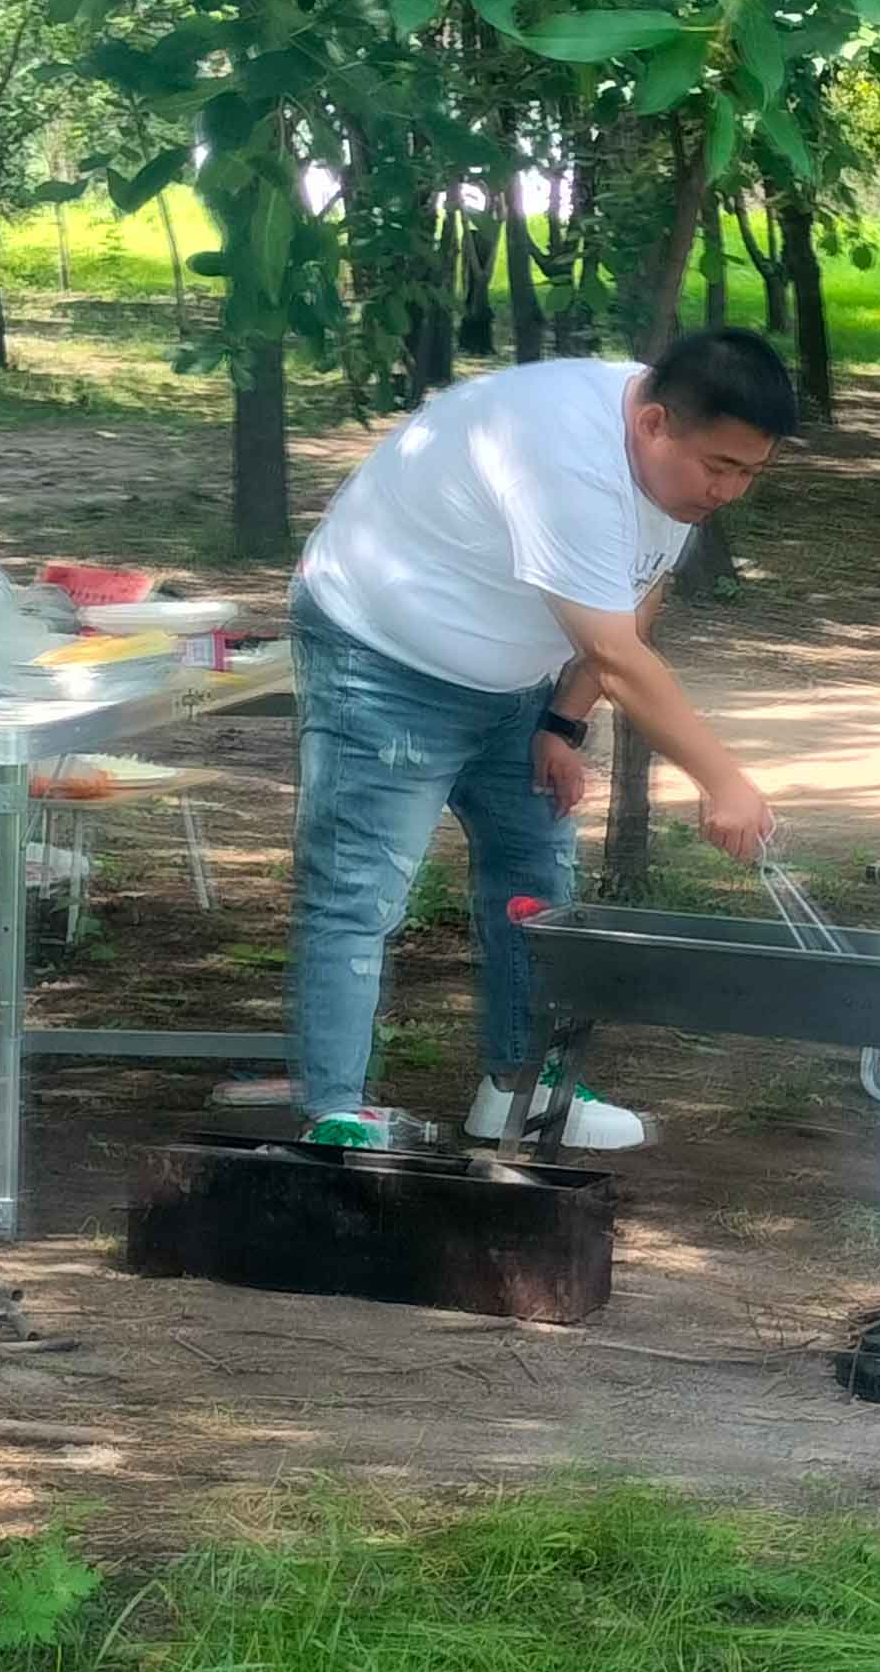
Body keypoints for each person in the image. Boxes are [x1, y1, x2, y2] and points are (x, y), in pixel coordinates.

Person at [282, 328, 798, 1151]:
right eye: (721, 467)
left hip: (512, 677)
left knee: (537, 878)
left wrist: (562, 720)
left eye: (750, 473)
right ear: (654, 423)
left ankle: (518, 1091)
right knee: (360, 889)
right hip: (383, 654)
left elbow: (638, 592)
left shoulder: (674, 467)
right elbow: (616, 651)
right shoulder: (563, 454)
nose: (729, 491)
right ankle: (334, 1109)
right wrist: (723, 781)